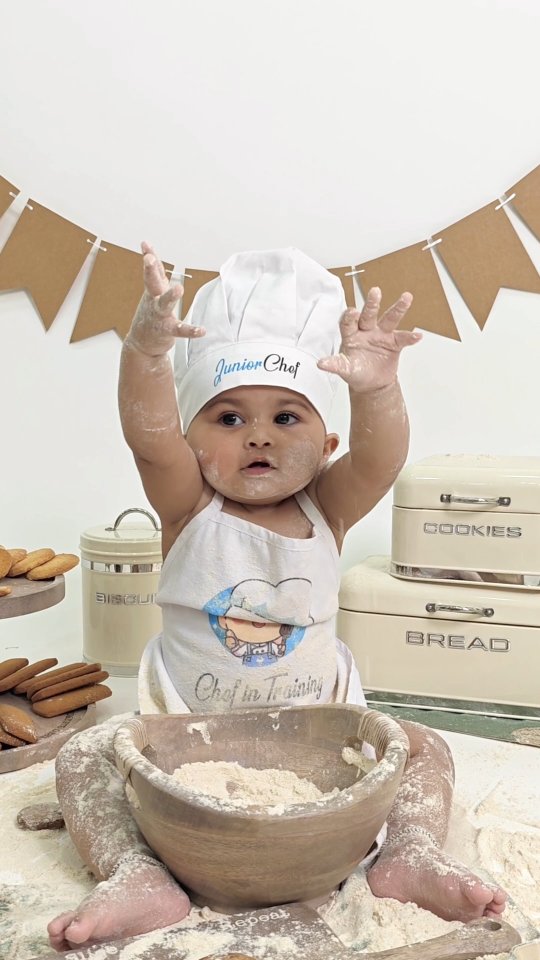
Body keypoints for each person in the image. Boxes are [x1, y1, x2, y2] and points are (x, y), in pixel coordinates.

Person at [48, 245, 506, 951]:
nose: (258, 434)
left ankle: (410, 853)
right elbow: (146, 435)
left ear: (326, 443)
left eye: (286, 418)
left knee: (425, 748)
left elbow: (382, 458)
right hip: (184, 744)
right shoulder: (186, 507)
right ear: (190, 439)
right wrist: (145, 352)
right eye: (227, 419)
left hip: (323, 746)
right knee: (83, 755)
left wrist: (376, 388)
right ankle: (135, 871)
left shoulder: (330, 504)